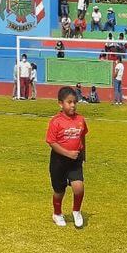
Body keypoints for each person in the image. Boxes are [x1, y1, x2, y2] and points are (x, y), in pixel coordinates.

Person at [46, 86, 88, 228]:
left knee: (79, 187)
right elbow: (51, 142)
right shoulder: (56, 121)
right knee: (59, 191)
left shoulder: (81, 119)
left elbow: (82, 137)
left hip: (75, 160)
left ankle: (76, 211)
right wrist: (68, 153)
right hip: (58, 161)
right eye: (69, 102)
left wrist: (83, 154)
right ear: (60, 104)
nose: (73, 105)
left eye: (75, 102)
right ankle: (57, 213)